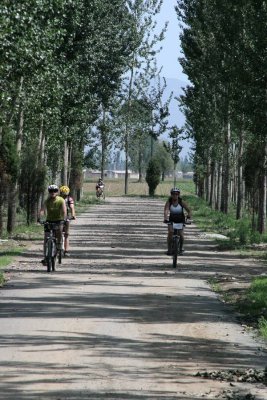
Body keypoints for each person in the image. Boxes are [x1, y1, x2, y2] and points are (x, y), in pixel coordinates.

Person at [38, 184, 67, 264]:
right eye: (51, 191)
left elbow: (64, 211)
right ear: (49, 192)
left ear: (57, 192)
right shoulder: (47, 201)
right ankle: (45, 257)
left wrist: (64, 219)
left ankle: (59, 245)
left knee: (59, 233)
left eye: (54, 191)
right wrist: (39, 217)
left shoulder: (61, 200)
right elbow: (42, 210)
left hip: (59, 220)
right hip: (49, 221)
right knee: (46, 238)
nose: (53, 193)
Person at [164, 187, 192, 255]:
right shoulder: (169, 202)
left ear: (178, 194)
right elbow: (166, 210)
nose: (175, 195)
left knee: (181, 235)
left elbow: (189, 210)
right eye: (173, 194)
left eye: (176, 194)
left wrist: (189, 216)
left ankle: (181, 248)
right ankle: (169, 249)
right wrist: (165, 218)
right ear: (171, 194)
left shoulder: (181, 202)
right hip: (172, 220)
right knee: (170, 232)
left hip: (180, 220)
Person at [59, 185, 76, 257]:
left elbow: (72, 207)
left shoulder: (69, 199)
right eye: (63, 194)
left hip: (66, 217)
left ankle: (66, 251)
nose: (64, 196)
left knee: (66, 235)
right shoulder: (57, 198)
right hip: (58, 217)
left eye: (65, 195)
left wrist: (73, 215)